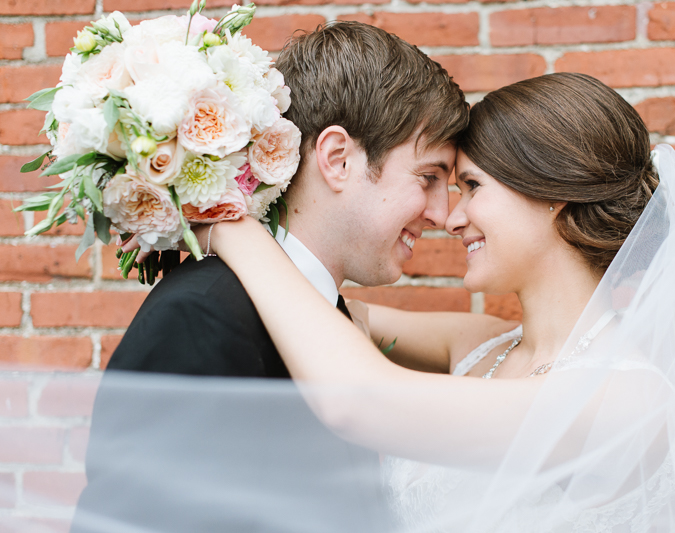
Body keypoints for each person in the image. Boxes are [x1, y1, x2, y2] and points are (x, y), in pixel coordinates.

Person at [195, 73, 675, 531]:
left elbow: (362, 401)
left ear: (553, 195)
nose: (451, 217)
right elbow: (314, 303)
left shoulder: (628, 397)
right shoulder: (476, 344)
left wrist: (228, 225)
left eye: (473, 188)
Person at [71, 21, 469, 533]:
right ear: (338, 159)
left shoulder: (331, 320)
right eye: (429, 177)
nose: (441, 213)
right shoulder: (201, 313)